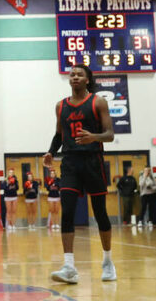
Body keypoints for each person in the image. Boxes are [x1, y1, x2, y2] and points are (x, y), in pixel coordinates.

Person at [42, 65, 117, 284]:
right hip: (70, 163)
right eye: (72, 74)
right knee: (67, 213)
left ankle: (107, 261)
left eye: (79, 74)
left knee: (100, 213)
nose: (74, 76)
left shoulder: (98, 102)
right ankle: (69, 266)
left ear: (87, 80)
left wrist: (93, 137)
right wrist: (50, 152)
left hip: (93, 161)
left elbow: (110, 135)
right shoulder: (60, 106)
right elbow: (59, 134)